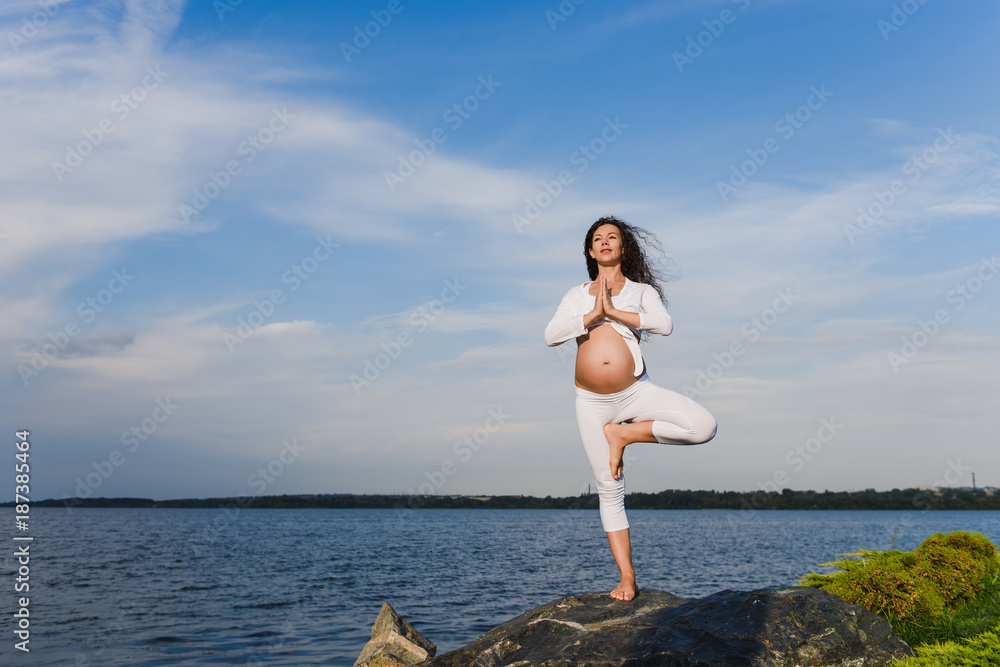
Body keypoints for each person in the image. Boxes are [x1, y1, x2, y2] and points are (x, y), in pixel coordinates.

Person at [544, 216, 718, 601]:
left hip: (636, 392)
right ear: (590, 251)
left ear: (623, 248)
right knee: (610, 487)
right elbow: (551, 335)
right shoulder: (576, 294)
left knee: (703, 426)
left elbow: (664, 325)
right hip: (591, 402)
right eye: (597, 239)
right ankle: (627, 577)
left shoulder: (640, 291)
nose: (605, 242)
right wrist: (592, 313)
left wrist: (613, 311)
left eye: (612, 237)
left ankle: (624, 434)